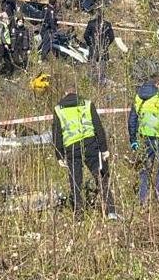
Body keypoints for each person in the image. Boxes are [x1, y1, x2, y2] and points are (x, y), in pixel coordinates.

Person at [52, 87, 118, 220]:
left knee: (76, 182)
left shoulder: (58, 109)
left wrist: (59, 155)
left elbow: (56, 133)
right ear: (76, 91)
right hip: (91, 145)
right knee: (101, 178)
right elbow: (98, 127)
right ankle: (111, 211)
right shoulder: (87, 104)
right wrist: (104, 148)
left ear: (65, 93)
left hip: (71, 149)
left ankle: (79, 215)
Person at [83, 9, 115, 85]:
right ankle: (101, 84)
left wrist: (90, 44)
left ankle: (91, 84)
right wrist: (106, 44)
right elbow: (111, 37)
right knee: (102, 69)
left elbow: (85, 35)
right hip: (103, 48)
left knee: (92, 68)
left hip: (93, 48)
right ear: (103, 15)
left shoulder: (91, 23)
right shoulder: (107, 24)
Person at [0, 12, 14, 78]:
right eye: (6, 17)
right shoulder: (0, 25)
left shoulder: (3, 24)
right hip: (0, 44)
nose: (7, 18)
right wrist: (5, 44)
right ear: (3, 18)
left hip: (3, 44)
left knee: (7, 59)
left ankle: (9, 72)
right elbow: (1, 35)